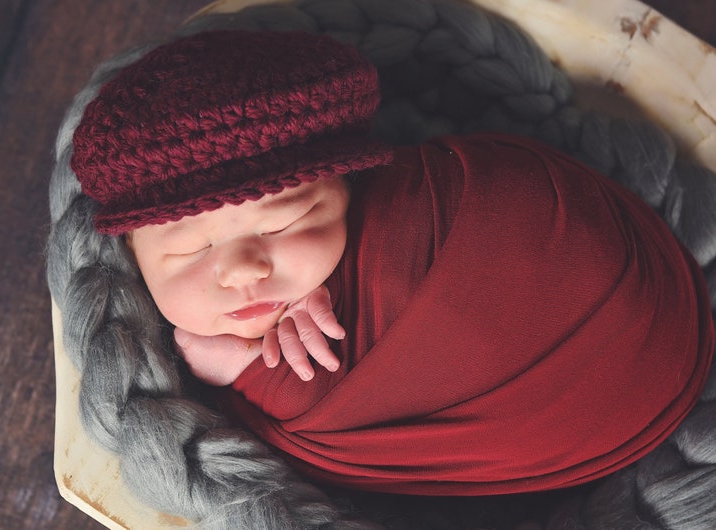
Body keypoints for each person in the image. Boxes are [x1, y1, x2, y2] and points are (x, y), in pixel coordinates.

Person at [70, 30, 713, 496]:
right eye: (188, 248)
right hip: (584, 409)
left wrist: (235, 362)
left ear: (351, 185)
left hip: (604, 291)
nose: (243, 270)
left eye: (287, 220)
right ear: (128, 252)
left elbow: (316, 385)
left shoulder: (411, 203)